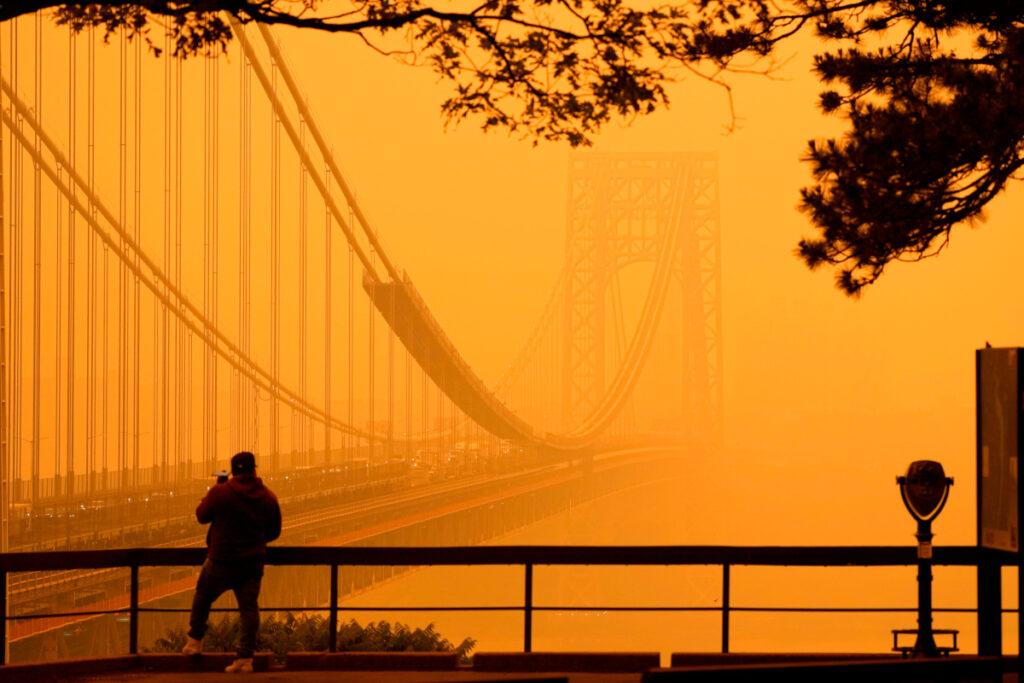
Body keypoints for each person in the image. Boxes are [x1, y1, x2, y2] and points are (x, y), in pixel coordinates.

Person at [182, 451, 282, 673]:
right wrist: (254, 542)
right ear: (254, 469)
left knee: (203, 596)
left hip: (221, 560)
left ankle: (194, 642)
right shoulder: (268, 497)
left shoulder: (221, 492)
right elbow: (275, 531)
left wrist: (215, 489)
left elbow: (201, 516)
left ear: (232, 471)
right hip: (252, 563)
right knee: (249, 609)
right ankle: (245, 659)